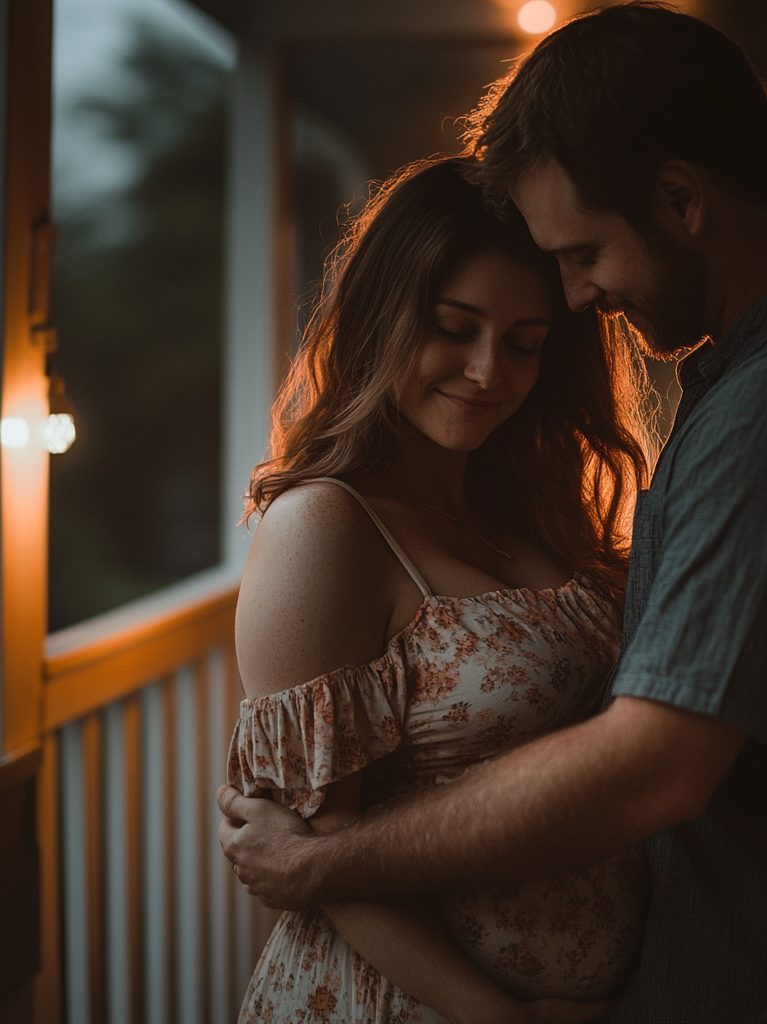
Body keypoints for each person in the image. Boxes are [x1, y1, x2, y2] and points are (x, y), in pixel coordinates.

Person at [220, 5, 767, 1021]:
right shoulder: (754, 386)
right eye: (456, 328)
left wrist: (322, 866)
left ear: (679, 198)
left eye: (579, 257)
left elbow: (653, 763)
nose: (580, 297)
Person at [226, 155, 652, 1024]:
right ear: (383, 318)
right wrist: (501, 1018)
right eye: (454, 328)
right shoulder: (326, 528)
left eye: (525, 343)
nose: (489, 371)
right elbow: (313, 851)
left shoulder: (536, 515)